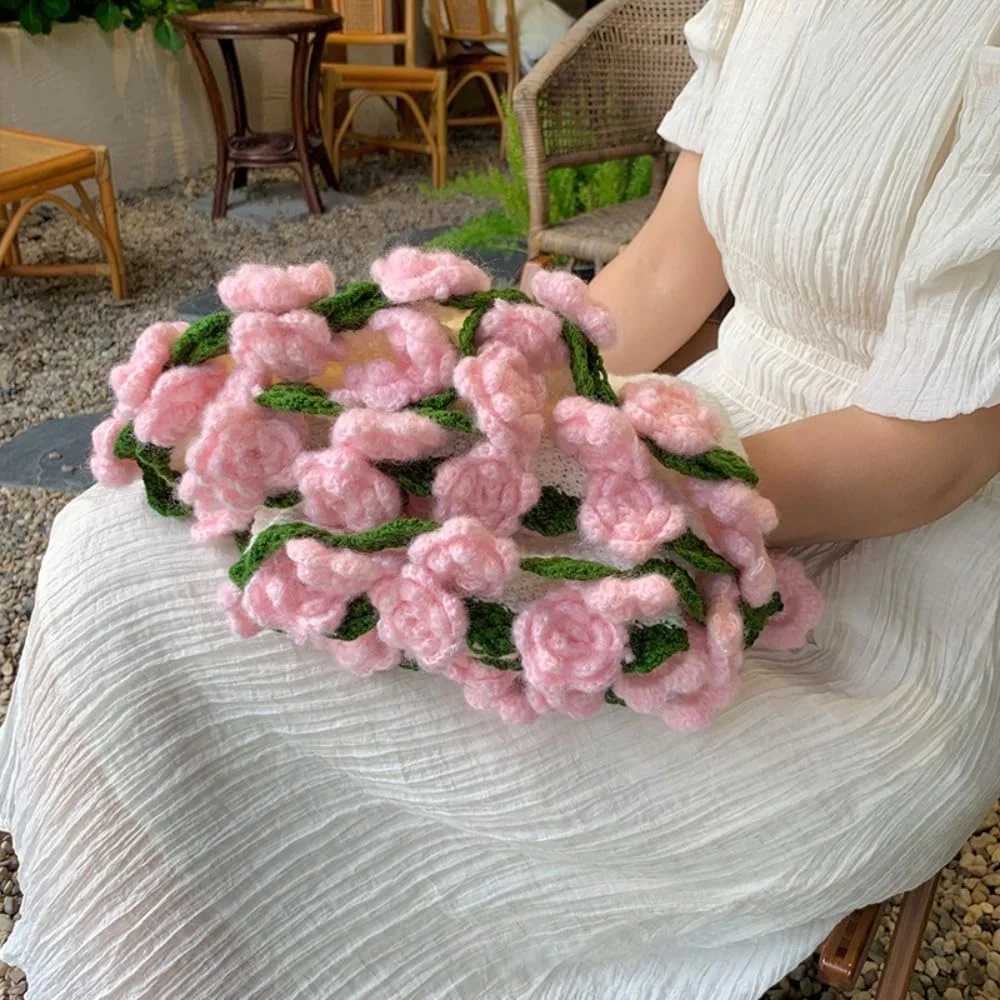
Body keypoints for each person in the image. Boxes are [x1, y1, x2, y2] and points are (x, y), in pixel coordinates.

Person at [0, 2, 998, 998]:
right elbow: (657, 278)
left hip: (879, 587)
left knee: (153, 612)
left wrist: (590, 483)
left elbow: (934, 459)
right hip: (687, 434)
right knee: (119, 543)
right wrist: (447, 374)